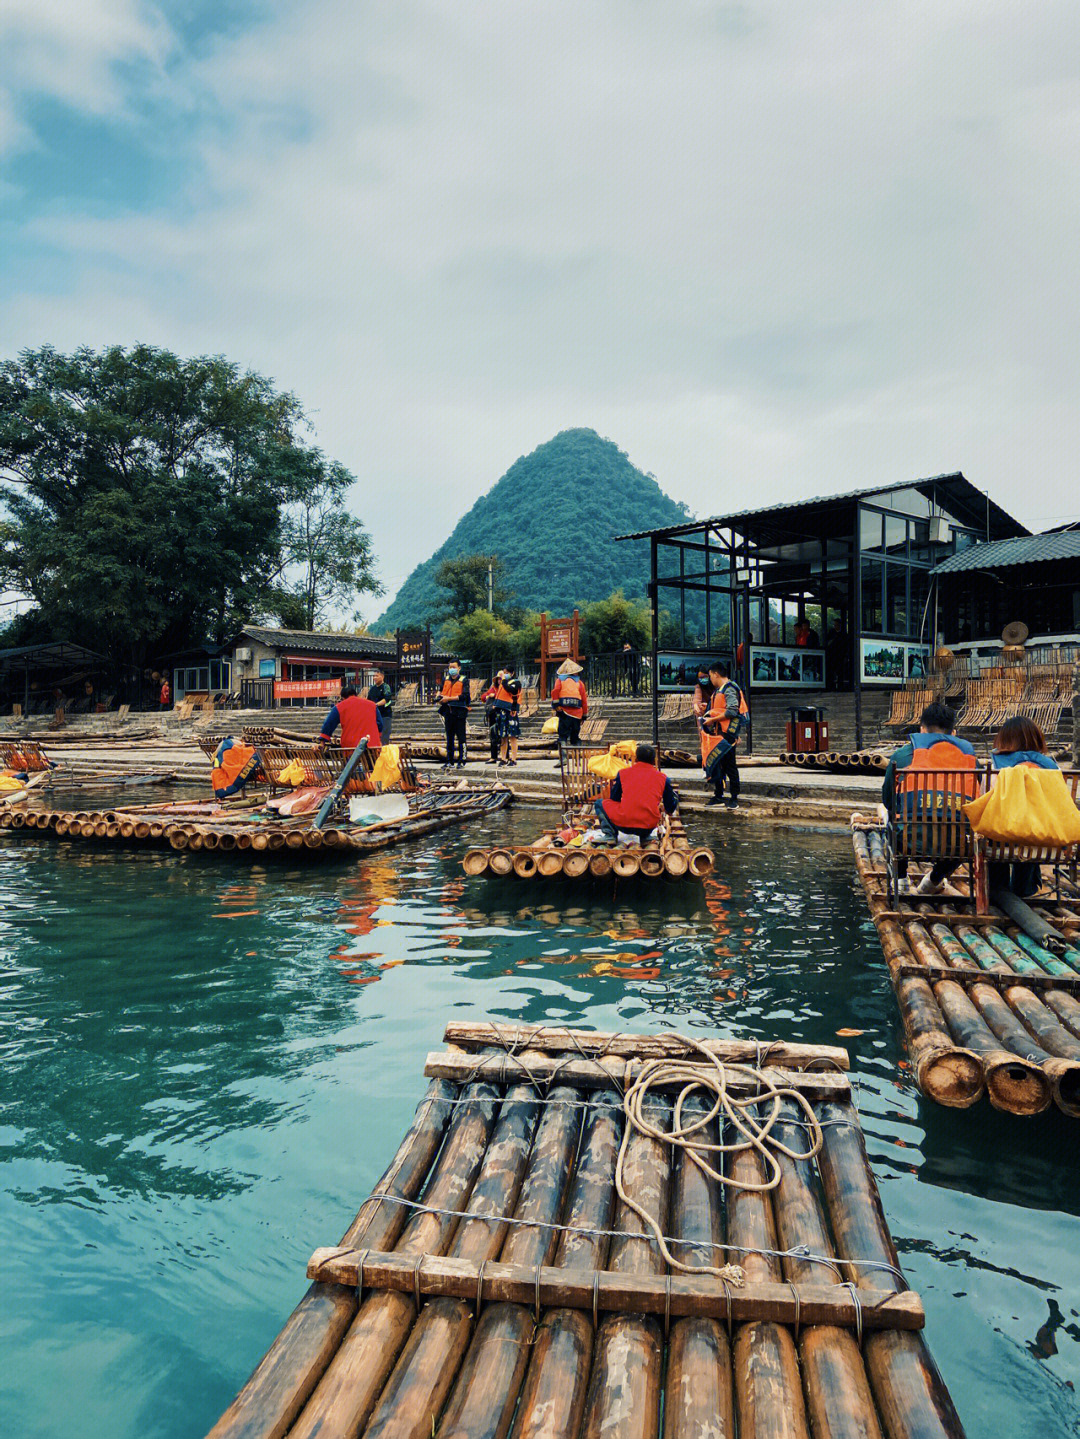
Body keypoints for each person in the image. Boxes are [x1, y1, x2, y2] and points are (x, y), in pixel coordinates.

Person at [881, 701, 977, 895]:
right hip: (956, 845)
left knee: (892, 817)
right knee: (960, 830)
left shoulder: (901, 756)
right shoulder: (970, 760)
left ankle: (900, 880)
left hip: (907, 840)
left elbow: (888, 801)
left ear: (921, 729)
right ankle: (934, 881)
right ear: (953, 733)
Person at [987, 715, 1059, 898]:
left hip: (1003, 834)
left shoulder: (996, 764)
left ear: (1004, 738)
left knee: (996, 827)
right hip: (1040, 835)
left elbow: (986, 797)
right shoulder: (1051, 766)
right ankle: (1024, 889)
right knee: (1031, 830)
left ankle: (998, 888)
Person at [594, 743, 678, 842]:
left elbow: (614, 798)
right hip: (648, 825)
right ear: (653, 760)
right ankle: (645, 837)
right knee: (672, 799)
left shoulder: (623, 773)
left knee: (599, 803)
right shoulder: (663, 778)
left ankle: (610, 835)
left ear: (636, 758)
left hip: (623, 823)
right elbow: (670, 807)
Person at [701, 659, 748, 809]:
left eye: (710, 675)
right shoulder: (719, 690)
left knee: (729, 765)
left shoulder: (729, 688)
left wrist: (712, 719)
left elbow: (733, 711)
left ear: (715, 674)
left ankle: (734, 798)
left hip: (726, 735)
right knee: (717, 764)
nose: (710, 679)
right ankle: (718, 795)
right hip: (718, 733)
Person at [318, 683, 382, 753]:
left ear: (342, 698)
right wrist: (377, 738)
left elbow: (328, 724)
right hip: (372, 746)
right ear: (356, 694)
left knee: (351, 763)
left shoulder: (339, 707)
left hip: (351, 748)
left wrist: (322, 742)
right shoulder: (372, 705)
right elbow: (380, 724)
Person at [438, 660, 471, 768]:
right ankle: (449, 761)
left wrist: (449, 698)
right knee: (449, 737)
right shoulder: (445, 679)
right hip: (448, 711)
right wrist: (439, 697)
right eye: (450, 667)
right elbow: (440, 690)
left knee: (461, 737)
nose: (451, 669)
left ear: (459, 668)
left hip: (459, 711)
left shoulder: (464, 680)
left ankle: (462, 760)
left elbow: (464, 696)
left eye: (454, 667)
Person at [550, 659, 588, 747]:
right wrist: (584, 715)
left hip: (564, 712)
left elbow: (555, 692)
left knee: (562, 736)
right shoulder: (580, 683)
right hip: (577, 714)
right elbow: (584, 700)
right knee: (575, 736)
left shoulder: (559, 680)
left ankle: (564, 760)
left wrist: (556, 706)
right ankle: (577, 759)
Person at [494, 662, 522, 767]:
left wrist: (515, 708)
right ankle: (503, 758)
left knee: (512, 735)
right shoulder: (502, 683)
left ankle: (513, 759)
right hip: (501, 711)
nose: (505, 674)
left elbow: (514, 692)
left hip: (510, 711)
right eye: (504, 672)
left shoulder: (515, 682)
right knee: (503, 736)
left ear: (512, 673)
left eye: (507, 673)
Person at [480, 671, 503, 763]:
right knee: (493, 734)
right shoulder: (493, 688)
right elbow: (483, 697)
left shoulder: (507, 688)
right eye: (499, 679)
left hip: (503, 713)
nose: (500, 681)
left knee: (504, 736)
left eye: (501, 679)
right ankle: (493, 756)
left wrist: (496, 696)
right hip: (493, 714)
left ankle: (505, 756)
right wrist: (489, 695)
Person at [367, 669, 394, 744]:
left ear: (382, 676)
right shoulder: (372, 689)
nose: (374, 678)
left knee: (384, 735)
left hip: (385, 715)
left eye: (377, 676)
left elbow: (387, 699)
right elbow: (368, 700)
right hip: (374, 716)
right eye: (374, 676)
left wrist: (376, 705)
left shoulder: (386, 687)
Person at [825, 618, 847, 691]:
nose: (835, 626)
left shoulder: (844, 634)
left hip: (840, 655)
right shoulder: (831, 632)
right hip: (832, 655)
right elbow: (827, 641)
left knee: (840, 672)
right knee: (831, 671)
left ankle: (840, 687)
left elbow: (845, 646)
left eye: (837, 625)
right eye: (834, 625)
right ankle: (831, 686)